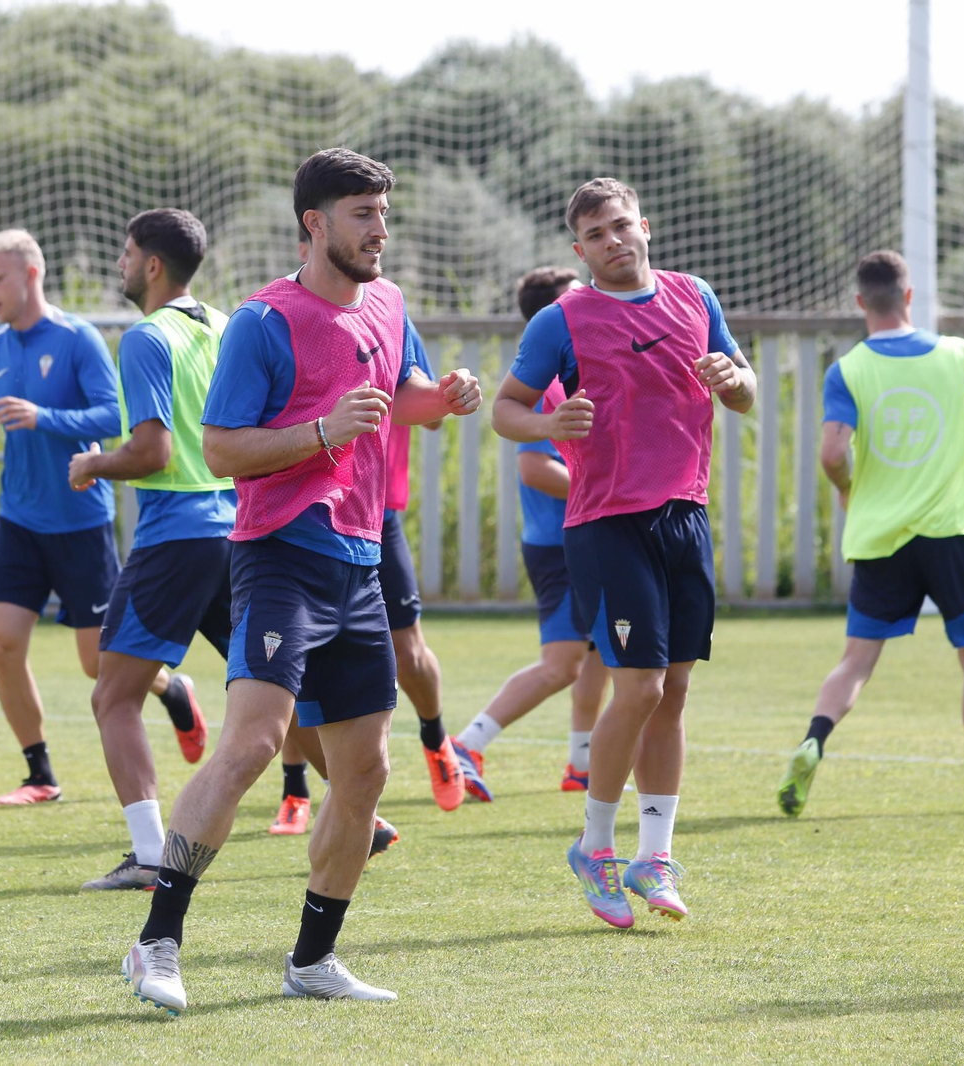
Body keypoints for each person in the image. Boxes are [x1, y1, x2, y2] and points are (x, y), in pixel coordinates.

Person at [122, 148, 480, 1013]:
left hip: (362, 559)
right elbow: (221, 448)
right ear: (315, 224)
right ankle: (155, 944)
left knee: (364, 774)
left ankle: (312, 961)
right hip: (280, 555)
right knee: (250, 746)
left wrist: (450, 398)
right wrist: (322, 431)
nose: (380, 229)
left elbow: (404, 395)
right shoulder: (262, 321)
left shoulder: (389, 305)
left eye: (384, 213)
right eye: (363, 214)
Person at [492, 177, 754, 929]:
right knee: (635, 689)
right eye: (595, 236)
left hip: (685, 516)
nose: (612, 242)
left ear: (645, 224)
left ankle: (655, 856)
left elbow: (745, 388)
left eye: (619, 226)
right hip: (606, 522)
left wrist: (734, 378)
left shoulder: (696, 297)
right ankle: (595, 847)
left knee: (672, 694)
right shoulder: (561, 320)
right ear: (580, 251)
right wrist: (551, 426)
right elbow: (510, 410)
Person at [777, 250, 964, 818]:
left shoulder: (848, 369)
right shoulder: (957, 355)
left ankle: (814, 740)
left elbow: (833, 452)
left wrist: (846, 489)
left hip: (880, 536)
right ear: (910, 297)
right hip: (949, 532)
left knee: (857, 661)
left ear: (860, 302)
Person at [271, 232, 463, 827]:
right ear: (309, 240)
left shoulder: (384, 307)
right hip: (298, 523)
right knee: (284, 670)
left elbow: (419, 405)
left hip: (374, 519)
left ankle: (436, 739)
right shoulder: (276, 318)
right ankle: (296, 787)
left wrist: (448, 396)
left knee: (408, 653)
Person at [0, 229, 133, 806]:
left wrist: (43, 416)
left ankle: (172, 691)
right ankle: (40, 773)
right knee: (1, 642)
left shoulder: (79, 339)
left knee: (100, 665)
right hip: (19, 520)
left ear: (30, 274)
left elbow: (114, 415)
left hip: (80, 518)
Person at [66, 208, 227, 890]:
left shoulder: (145, 338)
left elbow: (153, 450)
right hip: (236, 527)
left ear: (152, 264)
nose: (121, 266)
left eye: (127, 254)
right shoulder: (225, 326)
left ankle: (150, 854)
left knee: (114, 696)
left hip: (177, 535)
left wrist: (94, 465)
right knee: (266, 685)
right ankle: (359, 813)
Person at [451, 267, 612, 801]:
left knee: (599, 653)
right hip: (560, 544)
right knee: (563, 663)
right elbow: (535, 469)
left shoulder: (577, 372)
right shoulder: (547, 382)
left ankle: (583, 764)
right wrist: (605, 495)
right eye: (575, 301)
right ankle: (468, 744)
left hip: (584, 537)